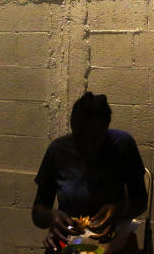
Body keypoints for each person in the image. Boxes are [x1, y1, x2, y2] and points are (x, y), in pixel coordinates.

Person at [32, 92, 148, 254]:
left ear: (106, 128)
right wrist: (51, 217)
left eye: (95, 138)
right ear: (72, 126)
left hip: (111, 235)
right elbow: (38, 211)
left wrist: (119, 210)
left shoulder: (123, 145)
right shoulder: (58, 151)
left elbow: (141, 201)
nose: (88, 146)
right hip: (72, 237)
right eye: (80, 138)